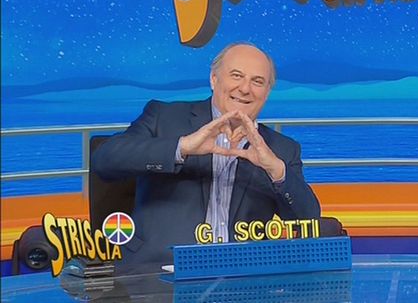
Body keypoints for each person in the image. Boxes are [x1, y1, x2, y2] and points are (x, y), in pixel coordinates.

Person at [92, 42, 321, 273]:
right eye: (236, 75)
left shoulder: (282, 149)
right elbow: (105, 160)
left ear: (267, 92)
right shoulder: (164, 117)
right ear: (214, 79)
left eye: (258, 81)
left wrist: (276, 171)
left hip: (242, 277)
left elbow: (308, 220)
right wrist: (182, 147)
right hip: (160, 271)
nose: (245, 88)